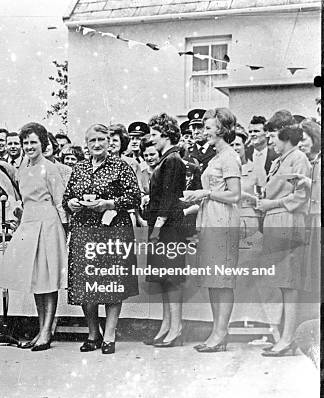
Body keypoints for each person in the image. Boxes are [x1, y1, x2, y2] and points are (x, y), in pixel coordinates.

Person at [63, 123, 140, 354]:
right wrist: (72, 203)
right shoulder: (79, 168)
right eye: (91, 141)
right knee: (87, 282)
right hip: (84, 230)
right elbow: (67, 195)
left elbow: (134, 197)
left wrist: (109, 204)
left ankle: (109, 334)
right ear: (86, 144)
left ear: (109, 142)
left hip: (112, 229)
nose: (96, 144)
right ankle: (93, 333)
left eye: (101, 140)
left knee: (111, 282)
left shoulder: (121, 167)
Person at [0, 122, 68, 352]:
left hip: (48, 224)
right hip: (29, 224)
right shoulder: (22, 169)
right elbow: (23, 200)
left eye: (33, 142)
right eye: (26, 142)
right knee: (35, 278)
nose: (28, 146)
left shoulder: (50, 168)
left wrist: (64, 231)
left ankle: (47, 331)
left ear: (43, 144)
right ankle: (40, 329)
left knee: (49, 278)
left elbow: (59, 202)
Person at [183, 108, 241, 353]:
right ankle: (217, 331)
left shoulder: (229, 156)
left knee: (223, 281)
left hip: (223, 223)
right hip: (210, 221)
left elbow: (235, 194)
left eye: (208, 127)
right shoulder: (216, 158)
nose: (203, 132)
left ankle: (220, 333)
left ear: (221, 129)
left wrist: (205, 193)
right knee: (213, 281)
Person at [256, 125, 311, 357]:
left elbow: (301, 196)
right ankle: (285, 336)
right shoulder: (281, 159)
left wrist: (272, 204)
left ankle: (288, 339)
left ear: (286, 138)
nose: (271, 142)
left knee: (289, 282)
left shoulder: (298, 158)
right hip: (276, 224)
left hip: (288, 222)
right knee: (282, 281)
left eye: (273, 138)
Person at [143, 113, 187, 348]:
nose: (152, 138)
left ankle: (176, 327)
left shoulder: (173, 160)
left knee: (172, 278)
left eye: (155, 134)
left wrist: (157, 228)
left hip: (168, 227)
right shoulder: (166, 159)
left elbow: (170, 198)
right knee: (163, 279)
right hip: (162, 226)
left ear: (167, 135)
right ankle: (167, 324)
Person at [230, 128, 263, 244]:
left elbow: (263, 199)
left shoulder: (256, 169)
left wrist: (247, 197)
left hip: (249, 220)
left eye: (238, 144)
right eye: (231, 145)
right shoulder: (223, 170)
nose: (235, 148)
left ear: (245, 146)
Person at [246, 115, 278, 179]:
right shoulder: (245, 154)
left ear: (266, 133)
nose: (252, 134)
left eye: (256, 131)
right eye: (250, 132)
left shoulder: (276, 155)